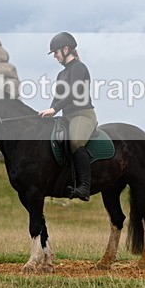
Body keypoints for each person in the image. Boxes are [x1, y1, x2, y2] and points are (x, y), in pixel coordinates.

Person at [39, 32, 98, 201]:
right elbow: (58, 98)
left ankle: (84, 187)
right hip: (66, 116)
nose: (55, 56)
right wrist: (48, 111)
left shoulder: (79, 68)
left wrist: (55, 109)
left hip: (82, 115)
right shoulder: (61, 75)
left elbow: (75, 92)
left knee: (75, 141)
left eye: (56, 52)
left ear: (66, 49)